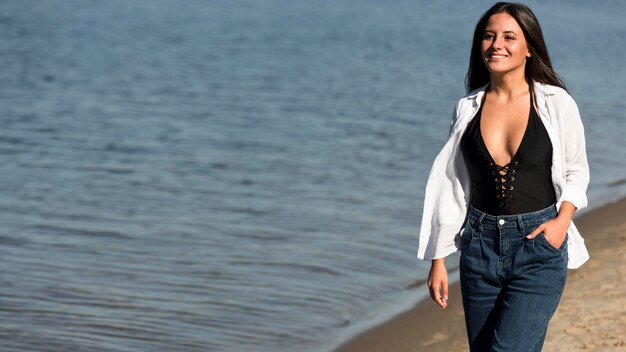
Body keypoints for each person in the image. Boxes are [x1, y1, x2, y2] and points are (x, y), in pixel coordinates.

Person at [416, 2, 590, 351]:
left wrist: (561, 223)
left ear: (529, 49)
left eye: (509, 37)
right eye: (489, 36)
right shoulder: (467, 107)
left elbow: (576, 170)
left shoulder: (556, 102)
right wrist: (438, 259)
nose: (497, 44)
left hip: (538, 245)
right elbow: (453, 189)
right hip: (478, 248)